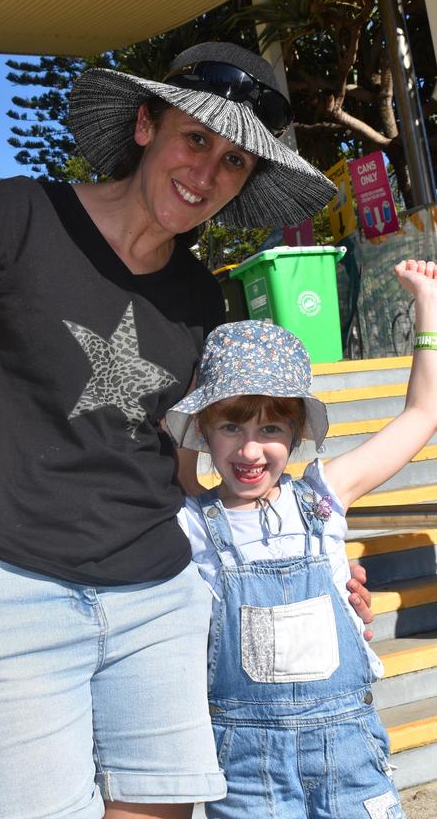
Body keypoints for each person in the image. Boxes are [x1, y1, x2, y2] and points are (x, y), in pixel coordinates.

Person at [0, 25, 371, 819]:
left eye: (233, 159)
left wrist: (308, 563)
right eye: (194, 139)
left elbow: (187, 473)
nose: (206, 172)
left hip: (156, 600)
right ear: (145, 126)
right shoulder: (16, 217)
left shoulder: (202, 299)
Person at [165, 259, 437, 819]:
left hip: (347, 750)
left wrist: (427, 306)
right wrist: (194, 393)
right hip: (243, 763)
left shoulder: (322, 495)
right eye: (230, 426)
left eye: (270, 428)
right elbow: (179, 469)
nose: (249, 450)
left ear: (295, 433)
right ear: (204, 432)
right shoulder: (192, 521)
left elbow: (422, 414)